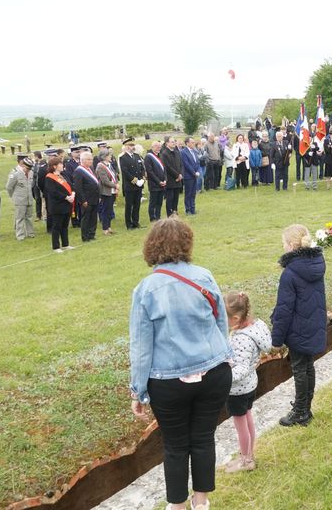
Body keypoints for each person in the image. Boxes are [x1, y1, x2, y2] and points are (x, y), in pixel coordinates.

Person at [129, 218, 233, 510]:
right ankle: (200, 502)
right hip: (213, 372)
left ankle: (178, 506)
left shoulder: (146, 289)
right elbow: (221, 324)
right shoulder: (204, 276)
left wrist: (138, 392)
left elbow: (140, 347)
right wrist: (221, 356)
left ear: (151, 246)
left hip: (170, 381)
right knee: (202, 438)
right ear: (187, 243)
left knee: (176, 445)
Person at [271, 224, 327, 426]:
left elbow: (284, 309)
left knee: (299, 369)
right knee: (308, 366)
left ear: (291, 245)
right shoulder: (316, 264)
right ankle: (305, 407)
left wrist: (276, 339)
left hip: (298, 328)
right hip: (313, 323)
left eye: (284, 243)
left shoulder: (290, 273)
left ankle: (301, 411)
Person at [222, 291, 271, 473]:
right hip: (250, 385)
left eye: (223, 318)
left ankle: (246, 460)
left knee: (241, 426)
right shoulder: (255, 327)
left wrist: (222, 378)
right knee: (248, 419)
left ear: (235, 318)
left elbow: (240, 369)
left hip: (237, 390)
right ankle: (249, 453)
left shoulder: (241, 339)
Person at [45, 157, 76, 253]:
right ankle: (56, 246)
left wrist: (73, 194)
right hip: (57, 205)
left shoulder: (63, 175)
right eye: (60, 164)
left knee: (65, 225)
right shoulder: (49, 177)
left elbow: (71, 185)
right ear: (54, 166)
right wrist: (66, 197)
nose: (62, 165)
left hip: (67, 204)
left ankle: (65, 244)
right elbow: (53, 192)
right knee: (57, 226)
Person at [5, 154, 35, 240]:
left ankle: (30, 233)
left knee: (29, 217)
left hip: (29, 199)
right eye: (27, 168)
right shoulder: (15, 174)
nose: (28, 170)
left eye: (30, 169)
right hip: (19, 200)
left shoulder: (31, 173)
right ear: (23, 165)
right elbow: (9, 187)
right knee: (20, 218)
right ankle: (20, 235)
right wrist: (13, 196)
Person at [73, 150, 100, 242]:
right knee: (86, 218)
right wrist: (83, 200)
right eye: (88, 159)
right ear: (83, 160)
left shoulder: (90, 169)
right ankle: (85, 236)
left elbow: (95, 183)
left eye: (91, 159)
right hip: (86, 199)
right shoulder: (79, 171)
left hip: (94, 197)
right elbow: (78, 188)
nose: (91, 161)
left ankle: (92, 234)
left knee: (93, 217)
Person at [120, 139, 145, 229]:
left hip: (139, 185)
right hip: (130, 186)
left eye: (133, 145)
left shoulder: (137, 156)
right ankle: (129, 224)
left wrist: (142, 178)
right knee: (129, 206)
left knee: (137, 205)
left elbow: (142, 168)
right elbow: (125, 172)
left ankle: (136, 222)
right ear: (126, 147)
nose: (132, 147)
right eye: (130, 145)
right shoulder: (123, 158)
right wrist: (135, 180)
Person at [95, 149, 119, 235]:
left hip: (112, 190)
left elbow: (114, 176)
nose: (111, 157)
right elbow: (105, 181)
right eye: (109, 155)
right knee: (105, 210)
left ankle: (109, 227)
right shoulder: (100, 166)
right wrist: (115, 185)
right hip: (106, 191)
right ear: (104, 157)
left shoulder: (109, 164)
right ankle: (105, 229)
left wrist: (116, 184)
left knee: (109, 209)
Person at [144, 141, 167, 222]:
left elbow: (164, 169)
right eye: (157, 146)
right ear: (152, 147)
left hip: (162, 183)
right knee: (153, 202)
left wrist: (165, 180)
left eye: (159, 147)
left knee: (159, 202)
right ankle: (152, 218)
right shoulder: (148, 157)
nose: (158, 148)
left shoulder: (160, 155)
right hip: (154, 184)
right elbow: (150, 172)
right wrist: (158, 181)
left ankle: (158, 216)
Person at [161, 136, 183, 216]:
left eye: (174, 141)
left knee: (176, 198)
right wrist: (177, 175)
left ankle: (175, 212)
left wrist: (180, 174)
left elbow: (181, 164)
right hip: (171, 179)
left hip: (178, 179)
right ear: (167, 143)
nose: (174, 143)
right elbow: (167, 167)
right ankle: (170, 214)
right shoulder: (164, 153)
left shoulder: (177, 152)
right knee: (170, 198)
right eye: (172, 142)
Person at [180, 136, 201, 215]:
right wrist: (194, 173)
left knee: (193, 193)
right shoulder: (183, 152)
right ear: (187, 143)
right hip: (188, 176)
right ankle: (188, 209)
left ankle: (193, 208)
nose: (193, 143)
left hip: (195, 175)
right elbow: (186, 164)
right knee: (188, 193)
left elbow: (197, 162)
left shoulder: (194, 151)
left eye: (194, 142)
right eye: (192, 142)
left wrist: (198, 171)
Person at [31, 151, 46, 221]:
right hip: (35, 185)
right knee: (37, 199)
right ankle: (38, 215)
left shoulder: (43, 163)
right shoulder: (34, 164)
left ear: (37, 156)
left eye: (34, 156)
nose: (33, 158)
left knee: (43, 199)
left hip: (41, 184)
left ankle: (43, 215)